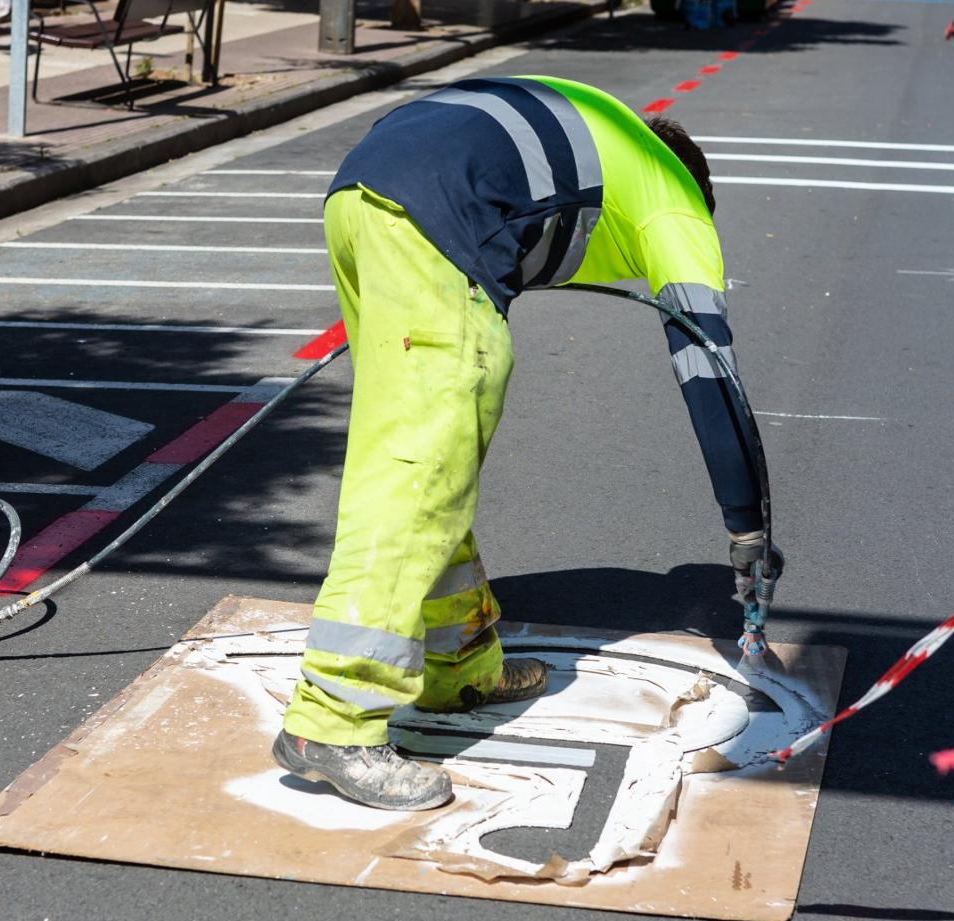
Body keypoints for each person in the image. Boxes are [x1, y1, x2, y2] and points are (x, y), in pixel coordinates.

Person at [273, 76, 767, 811]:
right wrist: (746, 520)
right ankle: (334, 722)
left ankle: (460, 667)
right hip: (434, 222)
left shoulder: (604, 129)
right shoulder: (674, 199)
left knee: (432, 460)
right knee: (419, 473)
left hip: (362, 194)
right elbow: (709, 368)